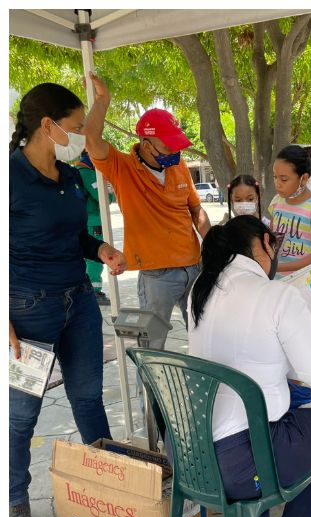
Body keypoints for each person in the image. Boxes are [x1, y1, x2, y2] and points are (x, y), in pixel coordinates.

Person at [188, 215, 311, 517]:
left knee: (261, 417)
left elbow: (250, 351)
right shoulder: (276, 294)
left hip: (193, 455)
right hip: (241, 466)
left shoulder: (200, 290)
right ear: (263, 243)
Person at [9, 82, 127, 517]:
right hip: (28, 309)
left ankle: (111, 482)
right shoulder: (9, 177)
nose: (80, 136)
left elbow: (79, 237)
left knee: (88, 399)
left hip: (79, 303)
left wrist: (101, 248)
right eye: (75, 128)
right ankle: (16, 501)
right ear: (47, 125)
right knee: (22, 415)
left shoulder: (72, 177)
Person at [82, 73, 210, 349]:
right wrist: (103, 101)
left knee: (207, 336)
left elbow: (196, 209)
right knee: (152, 347)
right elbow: (91, 139)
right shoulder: (122, 167)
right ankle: (150, 395)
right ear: (146, 142)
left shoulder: (179, 166)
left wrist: (211, 240)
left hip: (194, 266)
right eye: (167, 144)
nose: (174, 150)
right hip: (156, 275)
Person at [268, 145, 311, 277]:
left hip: (306, 285)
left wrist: (278, 267)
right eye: (275, 177)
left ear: (304, 179)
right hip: (278, 284)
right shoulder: (276, 201)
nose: (277, 183)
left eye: (284, 179)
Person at [72, 151, 114, 305]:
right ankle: (94, 291)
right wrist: (111, 195)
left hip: (86, 219)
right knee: (97, 256)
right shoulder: (87, 173)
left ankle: (87, 288)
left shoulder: (76, 171)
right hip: (94, 220)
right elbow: (101, 196)